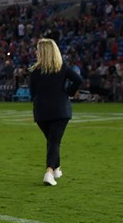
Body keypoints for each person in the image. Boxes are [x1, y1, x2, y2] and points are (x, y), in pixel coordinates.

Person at [28, 38, 83, 186]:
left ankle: (56, 168)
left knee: (52, 141)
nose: (36, 52)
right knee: (54, 142)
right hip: (60, 110)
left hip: (41, 112)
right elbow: (78, 80)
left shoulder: (34, 71)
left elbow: (32, 93)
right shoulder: (62, 68)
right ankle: (49, 171)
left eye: (38, 50)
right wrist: (68, 92)